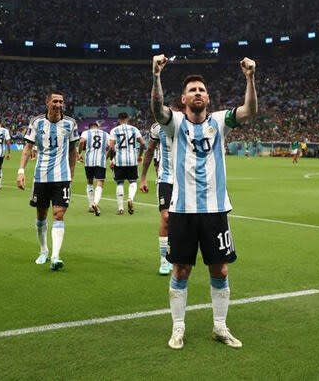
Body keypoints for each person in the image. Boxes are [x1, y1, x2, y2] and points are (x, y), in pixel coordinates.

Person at [151, 54, 258, 350]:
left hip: (215, 210)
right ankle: (178, 328)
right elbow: (157, 111)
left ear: (208, 97)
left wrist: (250, 77)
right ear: (183, 98)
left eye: (202, 89)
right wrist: (156, 75)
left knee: (220, 270)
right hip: (183, 210)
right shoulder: (174, 123)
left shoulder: (220, 121)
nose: (198, 93)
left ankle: (220, 327)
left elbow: (249, 111)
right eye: (192, 90)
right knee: (180, 270)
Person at [17, 92, 79, 271]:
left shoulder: (70, 123)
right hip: (41, 176)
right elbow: (28, 148)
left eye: (61, 102)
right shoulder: (37, 122)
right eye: (55, 101)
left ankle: (55, 256)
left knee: (59, 214)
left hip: (62, 177)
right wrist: (21, 171)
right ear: (47, 102)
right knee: (41, 216)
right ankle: (43, 250)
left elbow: (73, 151)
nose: (58, 105)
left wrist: (71, 175)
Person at [139, 98, 185, 276]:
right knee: (166, 217)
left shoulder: (192, 124)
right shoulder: (158, 127)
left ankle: (179, 252)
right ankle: (164, 259)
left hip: (186, 180)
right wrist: (143, 177)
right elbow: (149, 151)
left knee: (182, 220)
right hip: (166, 178)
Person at [108, 112, 145, 215]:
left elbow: (111, 147)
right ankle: (130, 198)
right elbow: (142, 143)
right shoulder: (134, 129)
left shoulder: (114, 130)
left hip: (119, 161)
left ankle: (120, 208)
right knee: (133, 182)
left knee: (120, 183)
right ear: (128, 119)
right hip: (132, 160)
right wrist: (140, 155)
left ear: (119, 120)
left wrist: (111, 160)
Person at [78, 122, 110, 216]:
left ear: (90, 127)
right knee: (100, 182)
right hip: (101, 161)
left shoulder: (86, 133)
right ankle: (95, 203)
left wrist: (79, 153)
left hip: (89, 161)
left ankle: (90, 205)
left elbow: (81, 142)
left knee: (90, 182)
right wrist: (106, 155)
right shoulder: (105, 134)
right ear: (97, 127)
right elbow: (111, 146)